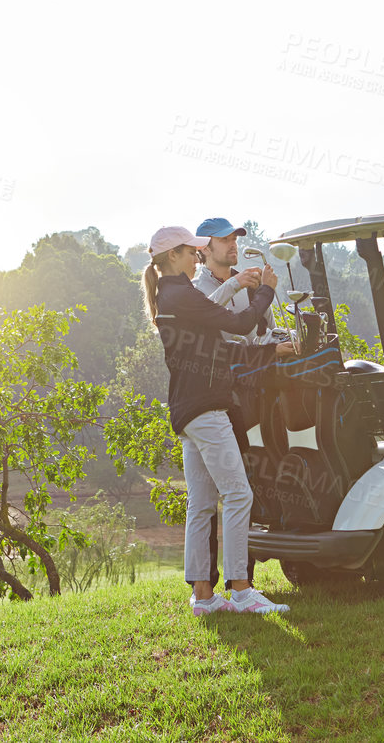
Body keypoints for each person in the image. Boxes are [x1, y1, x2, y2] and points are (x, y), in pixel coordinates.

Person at [143, 224, 295, 616]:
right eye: (191, 252)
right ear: (173, 257)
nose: (197, 257)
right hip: (207, 409)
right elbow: (241, 325)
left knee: (202, 503)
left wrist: (238, 286)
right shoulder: (180, 292)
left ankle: (204, 596)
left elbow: (212, 313)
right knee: (239, 494)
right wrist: (266, 291)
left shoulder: (171, 293)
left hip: (187, 410)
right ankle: (242, 591)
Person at [191, 216, 273, 347]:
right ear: (205, 248)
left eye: (234, 239)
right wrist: (234, 284)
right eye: (224, 239)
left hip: (258, 366)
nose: (233, 245)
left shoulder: (250, 284)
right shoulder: (194, 289)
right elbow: (199, 322)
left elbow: (270, 331)